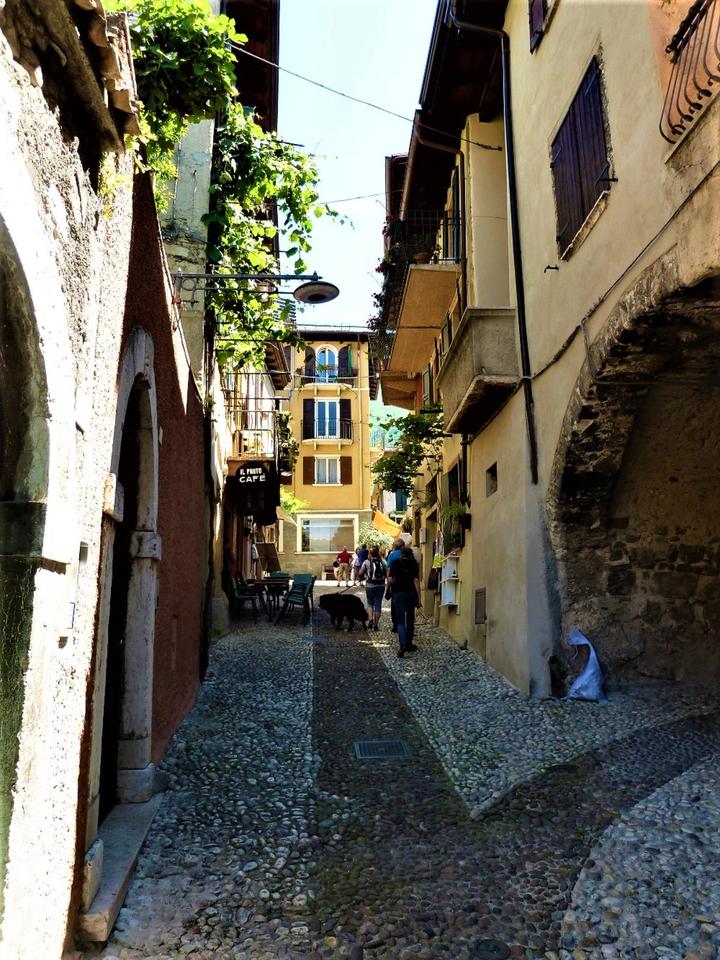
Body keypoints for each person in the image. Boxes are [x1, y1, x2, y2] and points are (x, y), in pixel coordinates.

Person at [387, 546, 421, 657]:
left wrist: (387, 590)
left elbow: (390, 579)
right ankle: (409, 643)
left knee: (400, 621)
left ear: (401, 554)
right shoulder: (414, 564)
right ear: (410, 554)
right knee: (410, 619)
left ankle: (403, 644)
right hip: (411, 593)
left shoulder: (395, 563)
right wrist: (419, 598)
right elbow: (416, 581)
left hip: (398, 594)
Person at [361, 546, 387, 631]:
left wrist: (362, 577)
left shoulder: (366, 562)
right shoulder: (383, 561)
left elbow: (360, 572)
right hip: (381, 585)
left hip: (370, 585)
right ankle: (376, 625)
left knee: (370, 604)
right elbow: (387, 573)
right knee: (378, 604)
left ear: (370, 554)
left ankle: (370, 620)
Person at [385, 538, 405, 632]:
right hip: (408, 583)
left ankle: (396, 625)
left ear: (395, 546)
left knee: (395, 605)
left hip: (396, 583)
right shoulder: (408, 554)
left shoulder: (392, 555)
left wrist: (388, 587)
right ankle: (406, 625)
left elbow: (389, 573)